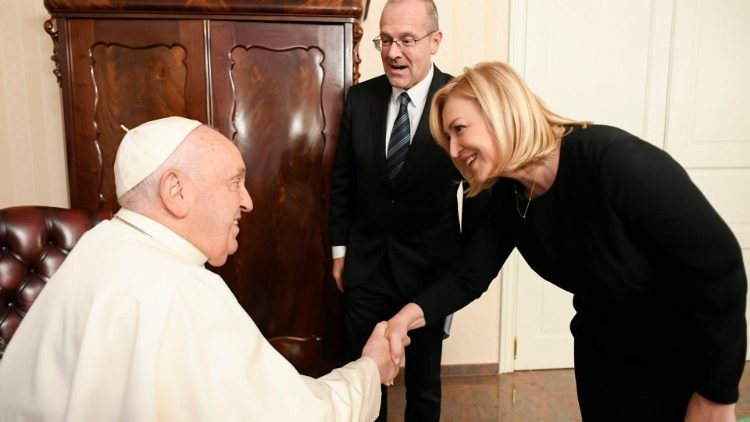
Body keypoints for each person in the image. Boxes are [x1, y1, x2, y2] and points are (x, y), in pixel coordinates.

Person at [384, 62, 747, 421]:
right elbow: (468, 277)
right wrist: (401, 321)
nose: (453, 149)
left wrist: (717, 393)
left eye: (459, 130)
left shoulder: (615, 162)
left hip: (679, 355)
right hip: (602, 356)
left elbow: (719, 268)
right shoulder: (503, 197)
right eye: (448, 138)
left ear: (502, 111)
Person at [0, 116, 398, 421]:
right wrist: (370, 370)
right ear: (176, 191)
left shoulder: (99, 245)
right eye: (234, 182)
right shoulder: (180, 289)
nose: (248, 202)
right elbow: (299, 416)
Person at [329, 0, 481, 420]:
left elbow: (478, 187)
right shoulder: (361, 99)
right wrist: (340, 253)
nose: (393, 52)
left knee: (424, 386)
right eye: (386, 40)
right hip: (365, 265)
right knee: (363, 376)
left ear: (435, 41)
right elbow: (343, 179)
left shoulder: (459, 100)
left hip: (430, 270)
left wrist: (464, 264)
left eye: (407, 40)